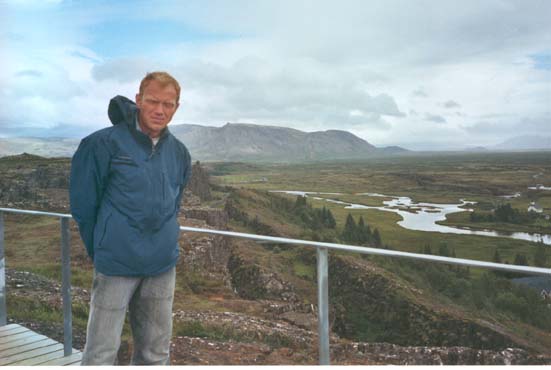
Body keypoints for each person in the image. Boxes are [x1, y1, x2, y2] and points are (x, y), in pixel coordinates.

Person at [69, 71, 192, 365]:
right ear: (138, 100)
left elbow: (174, 204)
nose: (160, 110)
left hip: (161, 266)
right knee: (101, 352)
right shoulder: (101, 144)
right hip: (116, 264)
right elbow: (84, 206)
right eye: (152, 101)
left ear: (177, 107)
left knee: (156, 352)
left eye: (168, 104)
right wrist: (102, 247)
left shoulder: (179, 153)